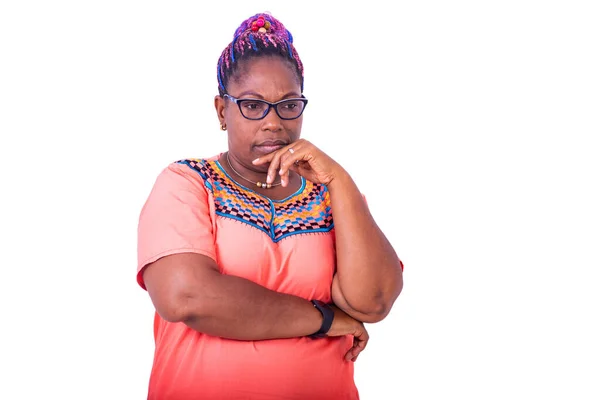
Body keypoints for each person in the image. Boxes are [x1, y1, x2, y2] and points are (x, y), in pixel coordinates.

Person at [137, 12, 404, 400]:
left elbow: (375, 300)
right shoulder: (187, 184)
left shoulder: (332, 196)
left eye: (288, 105)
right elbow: (188, 296)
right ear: (221, 111)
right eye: (252, 105)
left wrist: (339, 180)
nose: (273, 122)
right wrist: (325, 319)